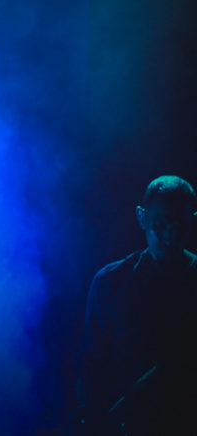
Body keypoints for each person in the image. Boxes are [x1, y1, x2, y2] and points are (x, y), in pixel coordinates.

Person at [73, 175, 197, 435]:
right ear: (141, 217)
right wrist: (90, 411)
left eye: (179, 227)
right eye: (160, 225)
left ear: (192, 222)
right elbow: (89, 359)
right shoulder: (110, 282)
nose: (169, 237)